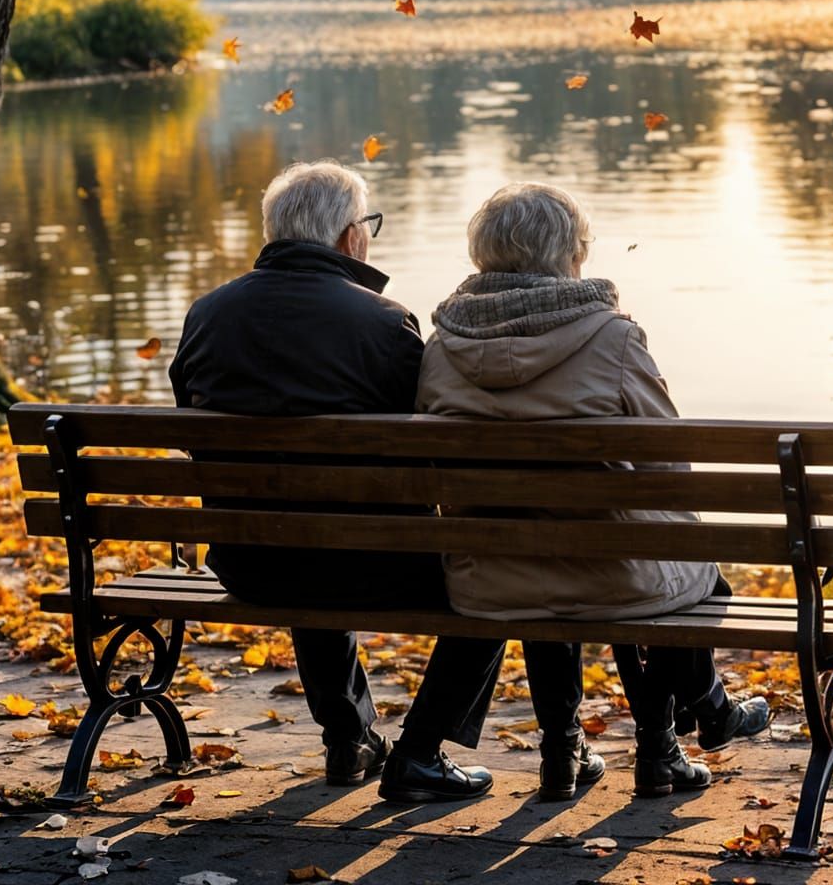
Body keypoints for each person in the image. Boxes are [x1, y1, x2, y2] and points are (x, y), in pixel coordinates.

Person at [168, 159, 577, 805]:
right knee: (494, 573)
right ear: (347, 237)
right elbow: (427, 452)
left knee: (302, 524)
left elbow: (190, 424)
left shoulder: (207, 314)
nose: (370, 238)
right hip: (369, 563)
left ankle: (349, 737)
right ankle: (419, 751)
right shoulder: (384, 323)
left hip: (247, 559)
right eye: (369, 226)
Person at [415, 181, 772, 802]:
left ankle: (564, 752)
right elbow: (672, 464)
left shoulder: (441, 348)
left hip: (489, 577)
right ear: (569, 255)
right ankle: (670, 742)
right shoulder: (613, 338)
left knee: (543, 549)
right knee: (666, 556)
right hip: (613, 574)